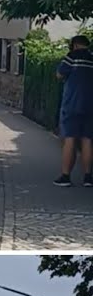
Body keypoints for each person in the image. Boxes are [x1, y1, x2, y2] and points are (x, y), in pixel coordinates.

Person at [55, 34, 93, 187]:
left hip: (72, 104)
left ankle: (65, 176)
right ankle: (88, 177)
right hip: (90, 105)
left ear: (75, 45)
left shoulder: (72, 57)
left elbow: (59, 74)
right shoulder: (91, 58)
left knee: (69, 139)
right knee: (87, 140)